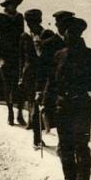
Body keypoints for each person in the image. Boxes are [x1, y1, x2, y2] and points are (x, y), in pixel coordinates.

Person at [42, 15, 91, 180]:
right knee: (65, 145)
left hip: (81, 105)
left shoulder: (90, 55)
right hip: (63, 106)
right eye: (65, 32)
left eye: (70, 32)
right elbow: (51, 82)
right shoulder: (59, 55)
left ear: (77, 33)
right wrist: (46, 103)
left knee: (81, 146)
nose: (66, 35)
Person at [23, 9, 62, 148]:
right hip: (33, 74)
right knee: (36, 105)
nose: (29, 24)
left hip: (43, 73)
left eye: (31, 21)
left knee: (42, 105)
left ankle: (39, 137)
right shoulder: (27, 36)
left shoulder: (46, 34)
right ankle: (37, 138)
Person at [0, 0, 27, 125]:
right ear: (7, 5)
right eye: (12, 3)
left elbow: (22, 36)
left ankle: (20, 114)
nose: (14, 6)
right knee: (7, 84)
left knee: (20, 84)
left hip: (18, 55)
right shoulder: (0, 17)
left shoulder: (20, 17)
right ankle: (10, 113)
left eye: (16, 4)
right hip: (4, 56)